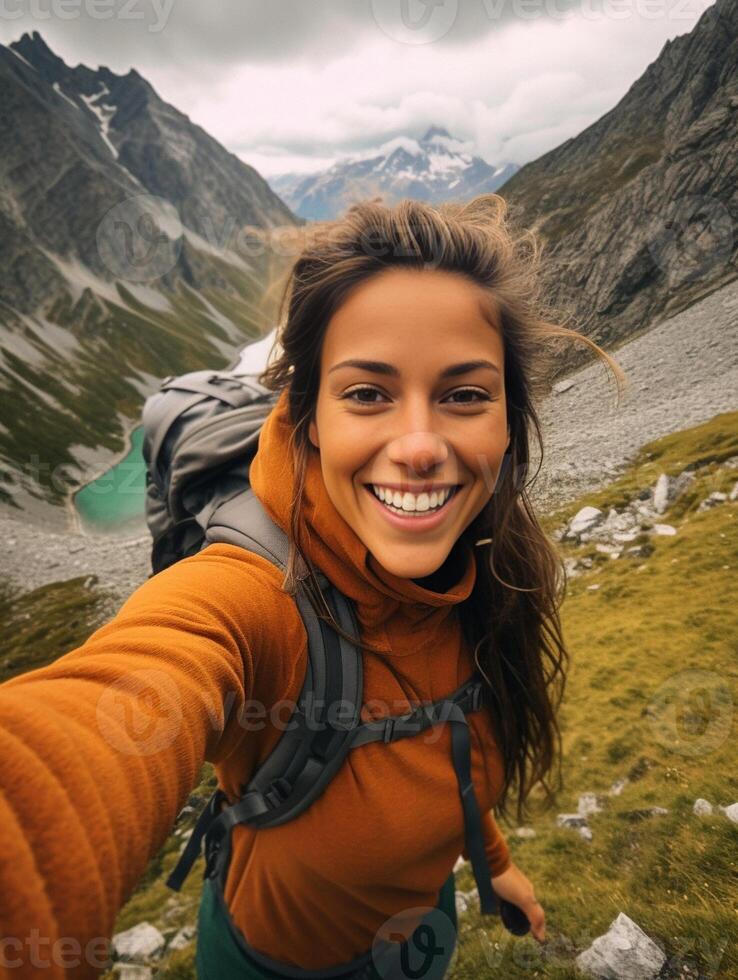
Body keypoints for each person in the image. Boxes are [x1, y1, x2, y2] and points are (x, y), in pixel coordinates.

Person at [0, 193, 624, 980]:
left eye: (465, 394)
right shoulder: (249, 597)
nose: (421, 447)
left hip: (417, 936)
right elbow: (96, 719)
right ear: (309, 416)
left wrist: (490, 860)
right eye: (367, 393)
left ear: (510, 419)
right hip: (270, 962)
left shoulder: (489, 569)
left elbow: (449, 749)